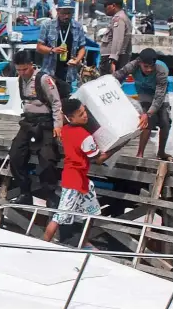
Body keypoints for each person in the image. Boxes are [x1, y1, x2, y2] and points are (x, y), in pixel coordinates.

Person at [43, 99, 119, 246]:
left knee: (91, 213)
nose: (85, 116)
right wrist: (117, 147)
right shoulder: (85, 137)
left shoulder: (65, 130)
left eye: (85, 111)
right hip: (74, 181)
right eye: (81, 114)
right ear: (71, 118)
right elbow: (98, 159)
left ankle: (83, 243)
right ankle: (43, 243)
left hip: (79, 179)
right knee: (60, 216)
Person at [9, 50, 63, 207]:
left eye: (24, 69)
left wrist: (58, 126)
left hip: (45, 123)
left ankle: (50, 194)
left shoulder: (44, 79)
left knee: (47, 158)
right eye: (18, 70)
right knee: (15, 155)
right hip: (28, 123)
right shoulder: (20, 80)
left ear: (31, 65)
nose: (21, 73)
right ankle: (25, 191)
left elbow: (56, 103)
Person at [113, 48, 172, 160]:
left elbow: (159, 96)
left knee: (165, 122)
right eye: (146, 66)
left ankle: (161, 152)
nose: (149, 69)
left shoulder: (162, 70)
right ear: (140, 63)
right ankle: (140, 153)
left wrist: (148, 113)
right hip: (144, 92)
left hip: (160, 94)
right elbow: (118, 75)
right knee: (148, 122)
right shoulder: (133, 65)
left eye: (151, 66)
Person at [36, 0, 86, 86]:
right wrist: (52, 50)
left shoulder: (78, 27)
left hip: (69, 73)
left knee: (66, 97)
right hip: (50, 72)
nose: (66, 16)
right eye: (63, 13)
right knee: (50, 98)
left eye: (69, 13)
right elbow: (39, 47)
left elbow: (82, 48)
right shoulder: (47, 25)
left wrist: (77, 60)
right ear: (57, 11)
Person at [99, 0, 132, 75]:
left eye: (106, 5)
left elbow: (117, 40)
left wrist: (113, 60)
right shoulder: (121, 17)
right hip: (112, 58)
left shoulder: (118, 19)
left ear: (113, 5)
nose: (104, 8)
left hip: (110, 59)